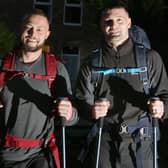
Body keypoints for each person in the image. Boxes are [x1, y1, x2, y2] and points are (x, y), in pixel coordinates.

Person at [75, 2, 168, 168]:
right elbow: (81, 101)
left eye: (119, 20)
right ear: (101, 25)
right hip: (105, 138)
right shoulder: (91, 62)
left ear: (129, 23)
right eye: (108, 21)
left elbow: (165, 95)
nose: (114, 25)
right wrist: (91, 111)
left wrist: (162, 108)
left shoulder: (150, 58)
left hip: (142, 140)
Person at [0, 8, 78, 168]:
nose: (33, 33)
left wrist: (69, 113)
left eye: (39, 30)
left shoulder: (56, 69)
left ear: (47, 34)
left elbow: (73, 118)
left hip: (41, 153)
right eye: (29, 27)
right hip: (5, 154)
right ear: (21, 28)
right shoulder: (2, 66)